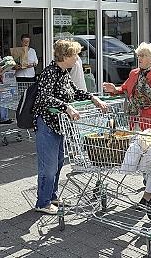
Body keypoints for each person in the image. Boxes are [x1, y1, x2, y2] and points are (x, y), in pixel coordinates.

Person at [32, 39, 107, 215]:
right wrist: (66, 107)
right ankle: (42, 202)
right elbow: (43, 98)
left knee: (57, 163)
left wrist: (92, 97)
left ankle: (52, 196)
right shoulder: (49, 73)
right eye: (75, 54)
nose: (77, 58)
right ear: (65, 56)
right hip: (47, 125)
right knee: (48, 167)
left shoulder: (64, 72)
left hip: (59, 126)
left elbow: (75, 92)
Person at [103, 42, 151, 205]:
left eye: (143, 56)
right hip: (136, 123)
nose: (139, 59)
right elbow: (125, 88)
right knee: (139, 161)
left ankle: (148, 194)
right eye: (138, 56)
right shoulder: (134, 74)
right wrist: (114, 89)